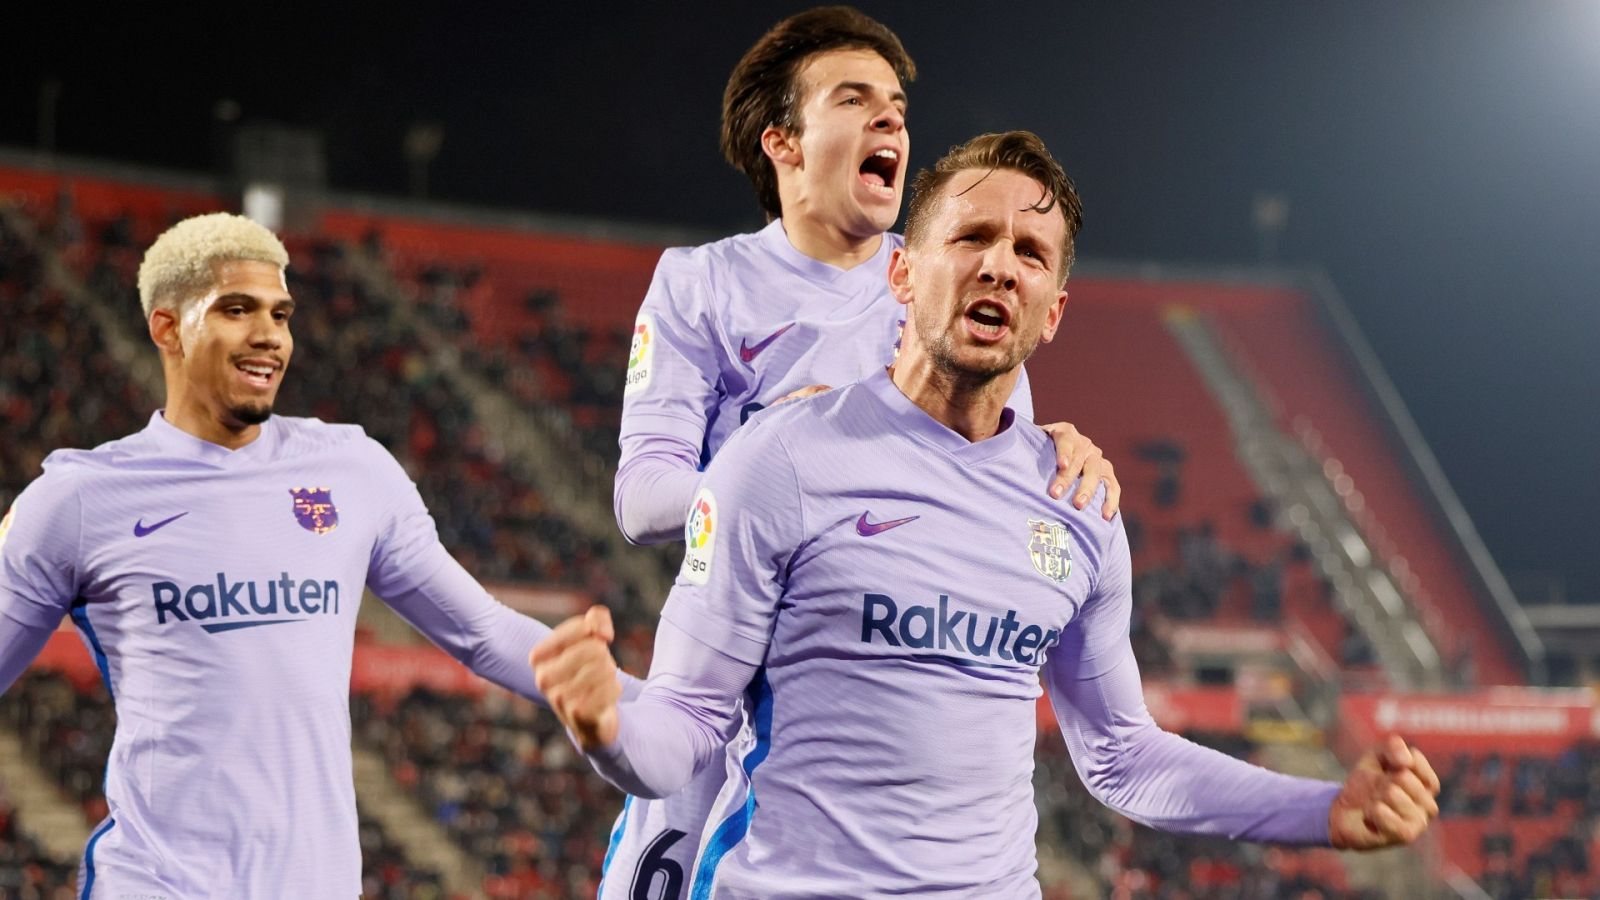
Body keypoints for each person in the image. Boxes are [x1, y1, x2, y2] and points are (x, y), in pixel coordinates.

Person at [537, 131, 1441, 898]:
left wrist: (1321, 808)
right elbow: (688, 729)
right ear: (902, 273)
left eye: (1030, 253)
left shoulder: (1080, 503)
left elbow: (1123, 754)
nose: (999, 265)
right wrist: (607, 727)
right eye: (971, 235)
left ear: (1052, 313)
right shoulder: (777, 461)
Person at [606, 8, 1121, 894]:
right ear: (783, 142)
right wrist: (768, 455)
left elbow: (996, 472)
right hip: (726, 701)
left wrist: (1067, 456)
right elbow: (641, 498)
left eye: (896, 104)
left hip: (865, 708)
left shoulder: (943, 276)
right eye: (855, 100)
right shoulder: (702, 283)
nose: (892, 120)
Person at [0, 213, 581, 896]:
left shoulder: (352, 469)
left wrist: (659, 709)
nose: (269, 335)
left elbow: (484, 631)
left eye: (281, 313)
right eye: (236, 309)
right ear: (166, 328)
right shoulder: (80, 498)